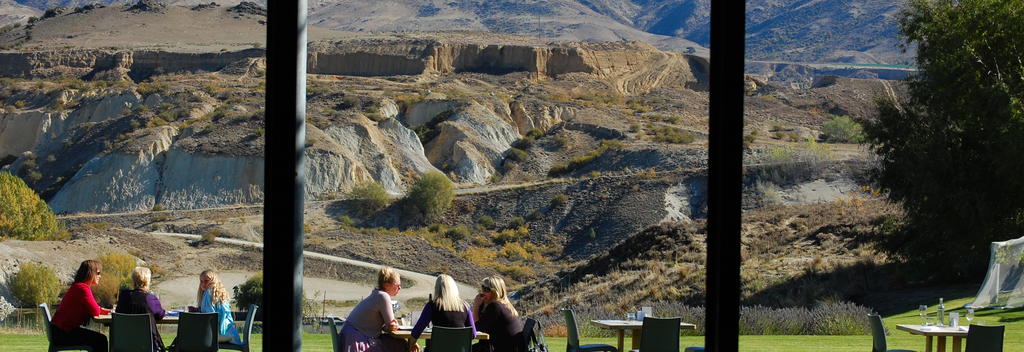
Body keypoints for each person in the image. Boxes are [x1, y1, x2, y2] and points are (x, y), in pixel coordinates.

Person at [340, 266, 408, 352]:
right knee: (400, 345)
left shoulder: (377, 294)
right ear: (386, 285)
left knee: (399, 343)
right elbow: (391, 325)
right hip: (358, 340)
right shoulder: (383, 296)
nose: (399, 288)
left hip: (351, 337)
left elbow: (387, 326)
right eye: (397, 285)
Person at [49, 260, 112, 352]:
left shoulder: (79, 286)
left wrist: (109, 311)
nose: (100, 276)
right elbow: (95, 311)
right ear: (91, 273)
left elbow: (96, 308)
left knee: (99, 339)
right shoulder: (82, 288)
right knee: (101, 340)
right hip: (63, 334)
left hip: (59, 332)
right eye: (98, 273)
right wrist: (108, 311)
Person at [409, 274, 476, 352]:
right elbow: (473, 334)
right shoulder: (465, 306)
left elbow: (417, 331)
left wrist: (412, 344)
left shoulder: (432, 306)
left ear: (437, 289)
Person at [116, 266, 167, 351]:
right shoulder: (150, 299)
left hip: (124, 344)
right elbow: (160, 315)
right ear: (148, 281)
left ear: (133, 280)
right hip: (148, 346)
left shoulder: (123, 297)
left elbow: (118, 313)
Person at [472, 276, 524, 352]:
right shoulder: (503, 304)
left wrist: (476, 306)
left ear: (495, 292)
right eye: (483, 288)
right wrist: (481, 306)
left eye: (487, 289)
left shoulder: (495, 306)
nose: (483, 292)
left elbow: (477, 327)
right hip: (509, 347)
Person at [195, 269, 241, 344]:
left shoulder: (208, 292)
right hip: (231, 334)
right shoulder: (219, 293)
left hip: (219, 334)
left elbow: (210, 317)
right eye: (201, 281)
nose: (203, 284)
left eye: (206, 281)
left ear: (213, 281)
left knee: (185, 336)